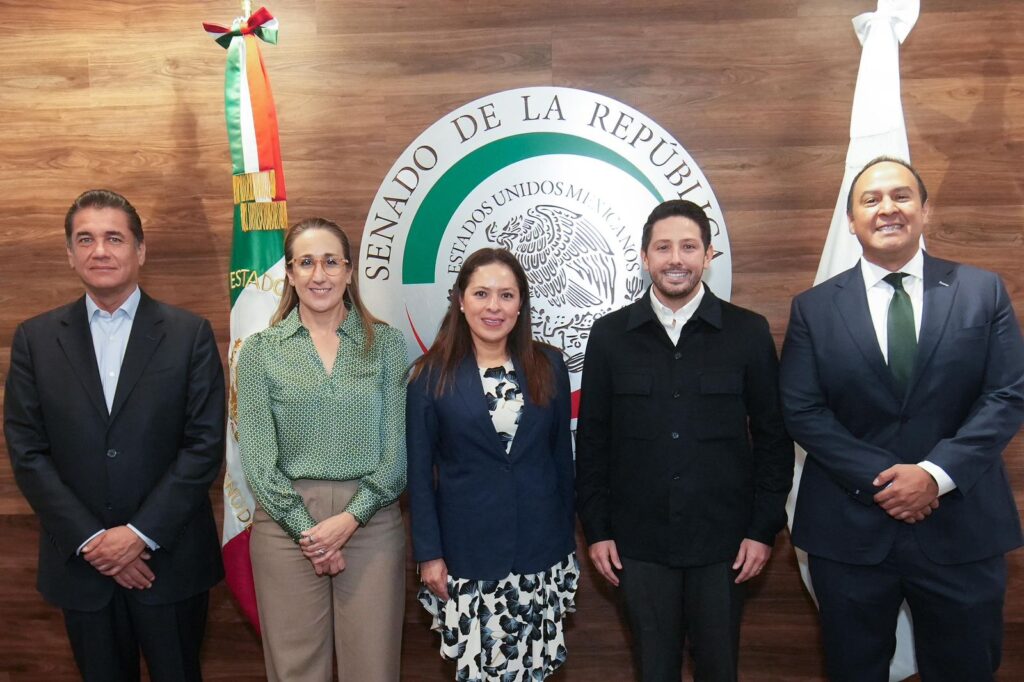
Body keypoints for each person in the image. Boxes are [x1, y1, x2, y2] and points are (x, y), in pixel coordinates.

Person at [780, 156, 1024, 681]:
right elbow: (802, 409)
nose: (887, 208)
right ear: (851, 221)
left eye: (901, 196)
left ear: (924, 210)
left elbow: (1006, 394)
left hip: (961, 528)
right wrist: (891, 482)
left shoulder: (982, 292)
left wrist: (932, 476)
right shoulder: (814, 308)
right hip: (850, 534)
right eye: (871, 200)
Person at [4, 189, 225, 681]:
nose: (99, 250)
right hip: (82, 566)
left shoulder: (190, 334)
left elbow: (204, 446)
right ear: (69, 254)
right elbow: (27, 451)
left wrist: (137, 536)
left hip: (169, 562)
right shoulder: (36, 340)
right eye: (85, 239)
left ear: (139, 251)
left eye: (113, 238)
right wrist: (93, 541)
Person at [575, 199, 794, 682]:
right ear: (645, 256)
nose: (677, 258)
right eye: (664, 247)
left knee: (719, 668)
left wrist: (762, 529)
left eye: (689, 247)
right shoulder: (610, 336)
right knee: (653, 669)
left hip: (725, 545)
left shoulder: (748, 332)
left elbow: (775, 440)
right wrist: (598, 528)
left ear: (709, 256)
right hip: (638, 543)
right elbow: (591, 441)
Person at [235, 217, 407, 682]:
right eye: (306, 262)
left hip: (371, 523)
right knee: (296, 672)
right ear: (289, 274)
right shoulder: (258, 352)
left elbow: (396, 456)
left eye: (331, 261)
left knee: (373, 670)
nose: (319, 274)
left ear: (349, 271)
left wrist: (349, 520)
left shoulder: (387, 344)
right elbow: (258, 460)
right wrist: (309, 533)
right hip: (286, 526)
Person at [407, 247, 578, 681]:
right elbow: (421, 477)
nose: (493, 306)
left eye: (506, 295)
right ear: (460, 301)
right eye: (482, 293)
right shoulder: (430, 376)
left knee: (533, 671)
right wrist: (429, 556)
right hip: (467, 556)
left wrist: (565, 543)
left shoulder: (550, 366)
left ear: (521, 305)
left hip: (540, 551)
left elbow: (562, 461)